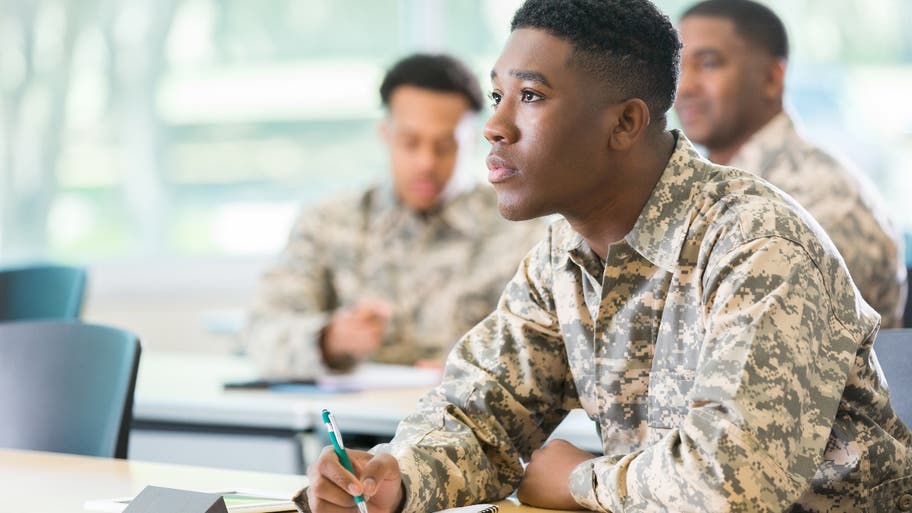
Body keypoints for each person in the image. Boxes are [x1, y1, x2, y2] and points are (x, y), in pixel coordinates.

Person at [300, 1, 912, 512]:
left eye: (531, 97)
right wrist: (396, 476)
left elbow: (729, 487)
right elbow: (482, 409)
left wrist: (578, 482)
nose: (494, 126)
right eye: (496, 95)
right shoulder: (563, 252)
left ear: (624, 124)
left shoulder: (757, 244)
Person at [244, 53, 543, 378]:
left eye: (444, 146)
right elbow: (260, 332)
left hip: (470, 421)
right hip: (349, 423)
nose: (426, 163)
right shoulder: (328, 223)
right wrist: (328, 339)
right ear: (386, 134)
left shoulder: (522, 233)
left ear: (472, 141)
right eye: (409, 142)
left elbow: (551, 353)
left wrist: (485, 368)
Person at [675, 0, 906, 328]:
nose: (684, 87)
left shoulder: (824, 199)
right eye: (678, 67)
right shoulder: (704, 185)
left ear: (771, 78)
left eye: (708, 64)